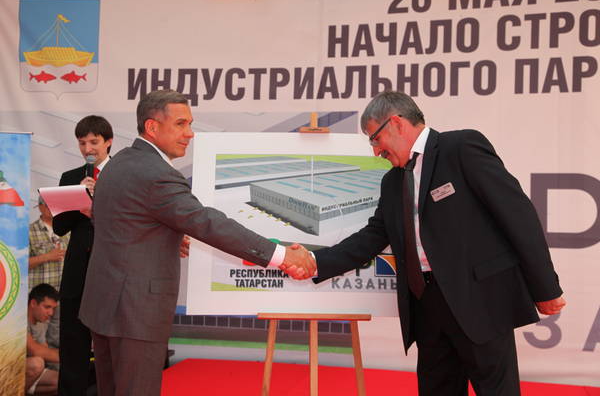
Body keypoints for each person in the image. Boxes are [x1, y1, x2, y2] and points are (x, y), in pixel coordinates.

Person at [289, 91, 566, 395]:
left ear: (396, 123)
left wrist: (545, 288)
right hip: (427, 308)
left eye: (375, 139)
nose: (376, 151)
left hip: (479, 302)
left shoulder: (460, 148)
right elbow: (372, 236)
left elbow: (517, 214)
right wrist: (315, 262)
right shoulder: (392, 181)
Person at [78, 89, 315, 396]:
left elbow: (117, 224)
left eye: (189, 124)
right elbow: (208, 223)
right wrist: (281, 255)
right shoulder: (157, 174)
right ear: (152, 127)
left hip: (104, 306)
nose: (189, 133)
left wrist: (165, 237)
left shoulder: (118, 163)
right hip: (136, 312)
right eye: (180, 124)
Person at [52, 115, 113, 395]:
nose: (88, 149)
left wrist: (100, 197)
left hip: (112, 272)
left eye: (94, 142)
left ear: (108, 142)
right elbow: (59, 227)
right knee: (73, 346)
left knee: (111, 349)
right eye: (82, 143)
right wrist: (78, 198)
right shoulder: (70, 178)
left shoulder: (122, 175)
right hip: (77, 274)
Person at [29, 196, 70, 349]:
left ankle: (55, 363)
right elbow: (19, 265)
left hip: (61, 295)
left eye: (55, 204)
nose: (52, 208)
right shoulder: (29, 230)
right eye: (47, 205)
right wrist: (47, 257)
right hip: (40, 298)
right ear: (39, 206)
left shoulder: (66, 231)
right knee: (39, 340)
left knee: (58, 339)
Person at [26, 283, 60, 395]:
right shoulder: (19, 319)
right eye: (47, 307)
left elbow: (45, 351)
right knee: (37, 364)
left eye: (53, 308)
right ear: (33, 303)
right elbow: (35, 350)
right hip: (9, 369)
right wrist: (70, 358)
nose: (51, 313)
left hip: (26, 372)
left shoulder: (41, 323)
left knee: (60, 381)